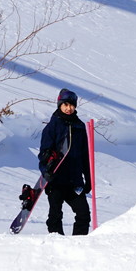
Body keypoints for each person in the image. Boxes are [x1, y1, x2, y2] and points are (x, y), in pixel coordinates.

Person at [38, 88, 91, 236]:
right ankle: (57, 243)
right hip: (56, 179)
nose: (69, 108)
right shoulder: (52, 127)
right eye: (65, 105)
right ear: (59, 105)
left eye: (72, 105)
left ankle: (78, 243)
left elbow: (85, 155)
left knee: (84, 214)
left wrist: (89, 179)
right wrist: (45, 172)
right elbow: (43, 154)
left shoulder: (79, 127)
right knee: (55, 215)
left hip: (75, 180)